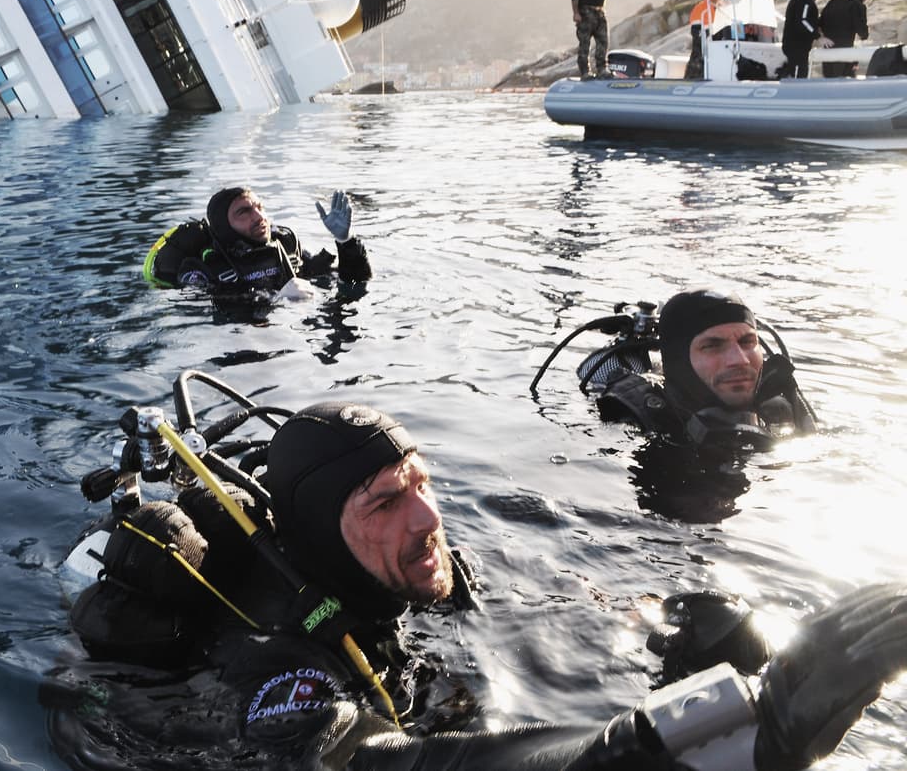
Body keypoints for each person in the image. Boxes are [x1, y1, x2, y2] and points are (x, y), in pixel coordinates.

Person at [49, 401, 907, 771]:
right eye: (384, 502)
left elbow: (539, 613)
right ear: (319, 532)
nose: (426, 519)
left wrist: (666, 628)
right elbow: (370, 766)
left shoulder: (413, 573)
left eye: (420, 483)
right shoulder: (275, 664)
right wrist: (671, 742)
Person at [596, 288, 816, 449]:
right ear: (679, 361)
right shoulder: (632, 426)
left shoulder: (783, 407)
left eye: (747, 342)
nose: (740, 360)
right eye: (712, 345)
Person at [144, 186, 372, 299]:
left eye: (259, 207)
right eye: (244, 212)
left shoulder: (285, 244)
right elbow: (206, 315)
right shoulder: (204, 268)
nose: (259, 217)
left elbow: (353, 281)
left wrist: (346, 241)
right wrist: (277, 301)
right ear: (224, 226)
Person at [780, 0, 833, 78]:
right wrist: (818, 36)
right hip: (796, 47)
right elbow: (802, 21)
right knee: (798, 77)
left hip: (798, 48)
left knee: (800, 73)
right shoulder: (804, 0)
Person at [821, 0, 873, 77]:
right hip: (845, 49)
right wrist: (865, 35)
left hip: (828, 48)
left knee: (828, 81)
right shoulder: (858, 6)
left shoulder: (834, 1)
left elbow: (821, 21)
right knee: (845, 80)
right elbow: (862, 31)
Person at [685, 0, 724, 80]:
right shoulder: (701, 7)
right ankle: (692, 78)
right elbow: (695, 27)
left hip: (716, 37)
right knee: (699, 57)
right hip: (702, 35)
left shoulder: (721, 8)